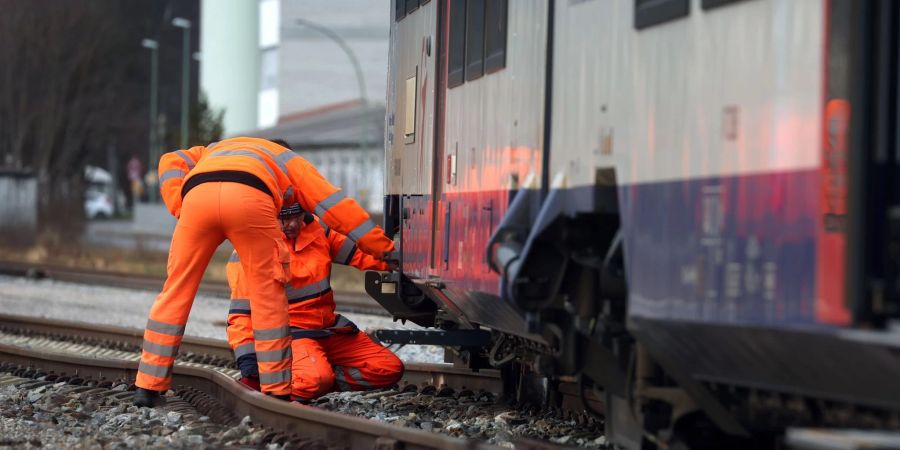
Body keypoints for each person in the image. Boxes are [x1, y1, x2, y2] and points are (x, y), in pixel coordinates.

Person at [133, 137, 394, 406]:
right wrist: (387, 249)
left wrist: (181, 205)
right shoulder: (290, 162)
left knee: (175, 291)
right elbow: (339, 209)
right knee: (268, 297)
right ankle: (277, 390)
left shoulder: (214, 150)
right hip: (249, 200)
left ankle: (147, 386)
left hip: (197, 199)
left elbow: (170, 160)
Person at [226, 204, 403, 401]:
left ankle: (317, 378)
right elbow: (241, 314)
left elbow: (363, 253)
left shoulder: (319, 231)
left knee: (389, 369)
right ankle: (294, 383)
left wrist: (399, 258)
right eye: (283, 219)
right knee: (314, 380)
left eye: (297, 216)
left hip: (329, 330)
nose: (292, 224)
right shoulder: (252, 249)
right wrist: (249, 367)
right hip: (292, 335)